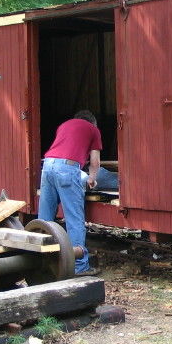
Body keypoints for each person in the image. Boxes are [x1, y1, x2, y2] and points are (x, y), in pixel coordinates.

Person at [38, 110, 102, 275]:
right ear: (92, 123)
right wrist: (91, 179)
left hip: (47, 165)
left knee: (44, 218)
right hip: (67, 168)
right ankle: (79, 266)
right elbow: (95, 162)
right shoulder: (93, 129)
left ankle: (40, 262)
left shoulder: (64, 125)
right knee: (74, 218)